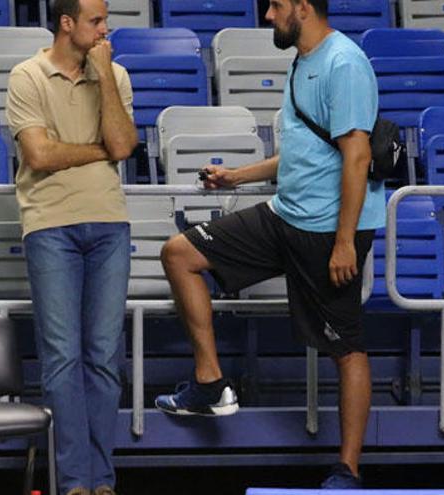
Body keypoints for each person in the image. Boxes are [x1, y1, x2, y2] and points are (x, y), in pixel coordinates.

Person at [155, 0, 384, 489]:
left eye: (275, 6)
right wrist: (236, 177)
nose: (267, 17)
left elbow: (357, 155)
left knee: (345, 347)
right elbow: (306, 149)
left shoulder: (344, 63)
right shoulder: (303, 59)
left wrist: (344, 240)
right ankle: (210, 383)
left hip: (327, 230)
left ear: (303, 6)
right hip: (286, 214)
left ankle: (348, 471)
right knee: (180, 254)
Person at [5, 0, 138, 492]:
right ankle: (74, 482)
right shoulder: (27, 75)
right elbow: (39, 154)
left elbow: (123, 145)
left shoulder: (115, 75)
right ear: (67, 24)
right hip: (50, 225)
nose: (107, 30)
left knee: (104, 356)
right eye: (96, 21)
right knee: (61, 357)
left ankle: (103, 480)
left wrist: (103, 78)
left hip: (109, 225)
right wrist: (98, 151)